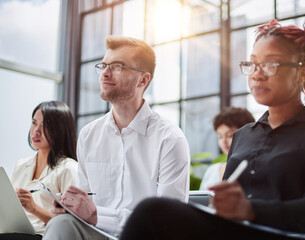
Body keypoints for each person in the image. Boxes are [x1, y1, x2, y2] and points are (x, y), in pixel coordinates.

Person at [119, 19, 305, 240]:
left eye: (270, 64)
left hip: (289, 235)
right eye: (252, 64)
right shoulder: (243, 135)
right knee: (156, 214)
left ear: (300, 72)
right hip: (236, 232)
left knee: (153, 212)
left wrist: (251, 210)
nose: (257, 74)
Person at [42, 36, 190, 240]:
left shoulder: (170, 139)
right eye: (103, 65)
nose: (105, 73)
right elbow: (86, 205)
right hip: (96, 234)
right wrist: (74, 209)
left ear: (143, 79)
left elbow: (167, 223)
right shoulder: (89, 135)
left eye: (117, 66)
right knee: (61, 223)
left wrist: (96, 216)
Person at [0, 101, 78, 240]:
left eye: (45, 126)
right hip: (14, 232)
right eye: (34, 123)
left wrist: (34, 208)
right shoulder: (21, 165)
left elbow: (71, 225)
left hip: (44, 235)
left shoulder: (69, 169)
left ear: (60, 130)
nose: (36, 131)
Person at [200, 107, 254, 190]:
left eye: (230, 135)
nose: (224, 142)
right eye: (220, 137)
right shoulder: (212, 170)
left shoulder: (255, 170)